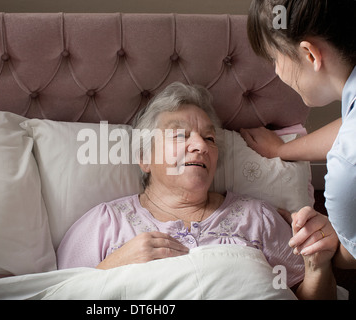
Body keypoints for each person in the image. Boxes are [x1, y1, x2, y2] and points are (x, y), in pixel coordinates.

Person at [57, 82, 338, 299]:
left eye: (209, 138)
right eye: (180, 135)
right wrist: (112, 268)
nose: (201, 146)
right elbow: (59, 293)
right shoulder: (104, 224)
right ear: (145, 157)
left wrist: (318, 266)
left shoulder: (257, 217)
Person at [241, 0, 356, 269]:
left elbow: (349, 259)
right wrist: (281, 150)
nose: (277, 71)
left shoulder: (346, 172)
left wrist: (330, 240)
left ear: (310, 55)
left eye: (274, 58)